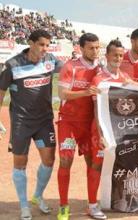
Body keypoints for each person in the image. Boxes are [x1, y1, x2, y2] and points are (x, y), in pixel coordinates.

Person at [0, 29, 62, 220]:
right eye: (41, 44)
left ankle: (37, 196)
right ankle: (24, 205)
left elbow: (72, 70)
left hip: (44, 121)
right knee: (20, 164)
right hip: (21, 123)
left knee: (49, 160)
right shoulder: (13, 65)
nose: (45, 49)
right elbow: (1, 94)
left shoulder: (51, 60)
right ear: (31, 43)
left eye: (47, 45)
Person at [56, 33, 106, 220]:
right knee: (66, 162)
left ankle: (92, 205)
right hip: (68, 123)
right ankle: (63, 206)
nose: (95, 51)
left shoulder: (101, 70)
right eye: (91, 48)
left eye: (97, 47)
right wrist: (85, 92)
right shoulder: (70, 66)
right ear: (82, 48)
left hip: (89, 124)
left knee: (92, 163)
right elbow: (62, 94)